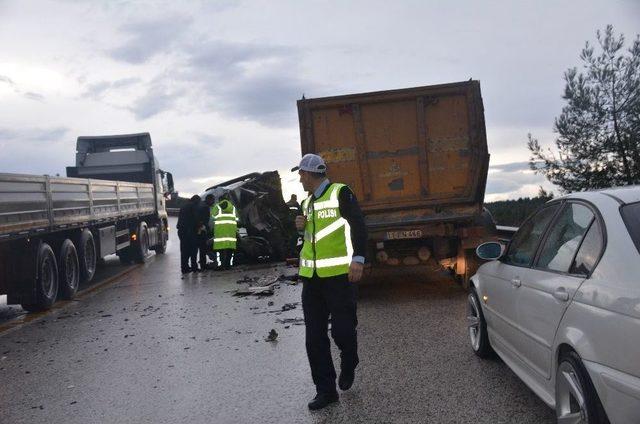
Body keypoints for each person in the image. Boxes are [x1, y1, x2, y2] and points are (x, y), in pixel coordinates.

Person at [293, 153, 367, 410]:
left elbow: (358, 225)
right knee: (314, 337)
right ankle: (326, 391)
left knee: (342, 331)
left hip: (339, 276)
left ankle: (350, 357)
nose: (300, 178)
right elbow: (311, 239)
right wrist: (300, 228)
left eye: (301, 173)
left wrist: (358, 258)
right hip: (311, 280)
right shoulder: (306, 202)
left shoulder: (340, 193)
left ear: (311, 173)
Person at [211, 196, 239, 270]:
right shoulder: (233, 208)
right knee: (230, 250)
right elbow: (237, 219)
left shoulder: (217, 207)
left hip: (220, 232)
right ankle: (228, 265)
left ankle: (221, 265)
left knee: (220, 250)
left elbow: (213, 216)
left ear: (220, 200)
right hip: (231, 232)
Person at [177, 195, 200, 273]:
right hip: (189, 231)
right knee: (193, 250)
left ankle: (184, 268)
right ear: (196, 200)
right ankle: (194, 267)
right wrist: (200, 226)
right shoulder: (193, 206)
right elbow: (195, 219)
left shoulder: (184, 206)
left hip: (181, 231)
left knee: (184, 250)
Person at [196, 194, 216, 270]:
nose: (213, 202)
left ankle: (201, 263)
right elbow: (205, 220)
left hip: (198, 230)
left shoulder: (201, 205)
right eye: (213, 200)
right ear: (209, 199)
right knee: (203, 248)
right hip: (202, 231)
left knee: (202, 249)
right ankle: (203, 265)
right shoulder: (205, 207)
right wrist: (207, 228)